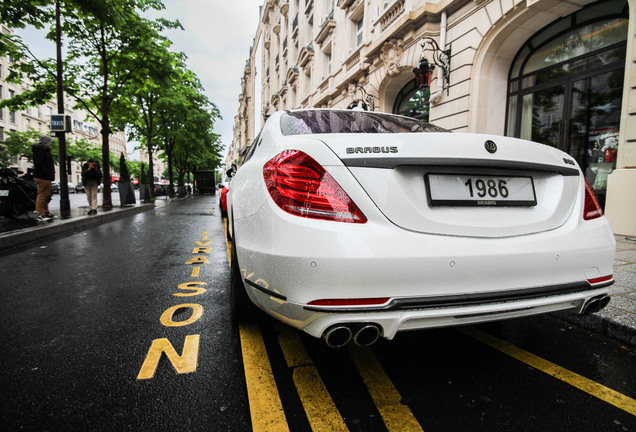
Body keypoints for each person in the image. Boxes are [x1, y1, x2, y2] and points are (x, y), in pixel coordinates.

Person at [31, 135, 56, 222]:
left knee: (46, 195)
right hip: (43, 176)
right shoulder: (41, 150)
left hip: (44, 176)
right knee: (42, 195)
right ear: (46, 142)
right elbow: (39, 164)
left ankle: (45, 212)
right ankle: (41, 213)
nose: (51, 144)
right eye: (50, 142)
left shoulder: (42, 150)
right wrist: (47, 173)